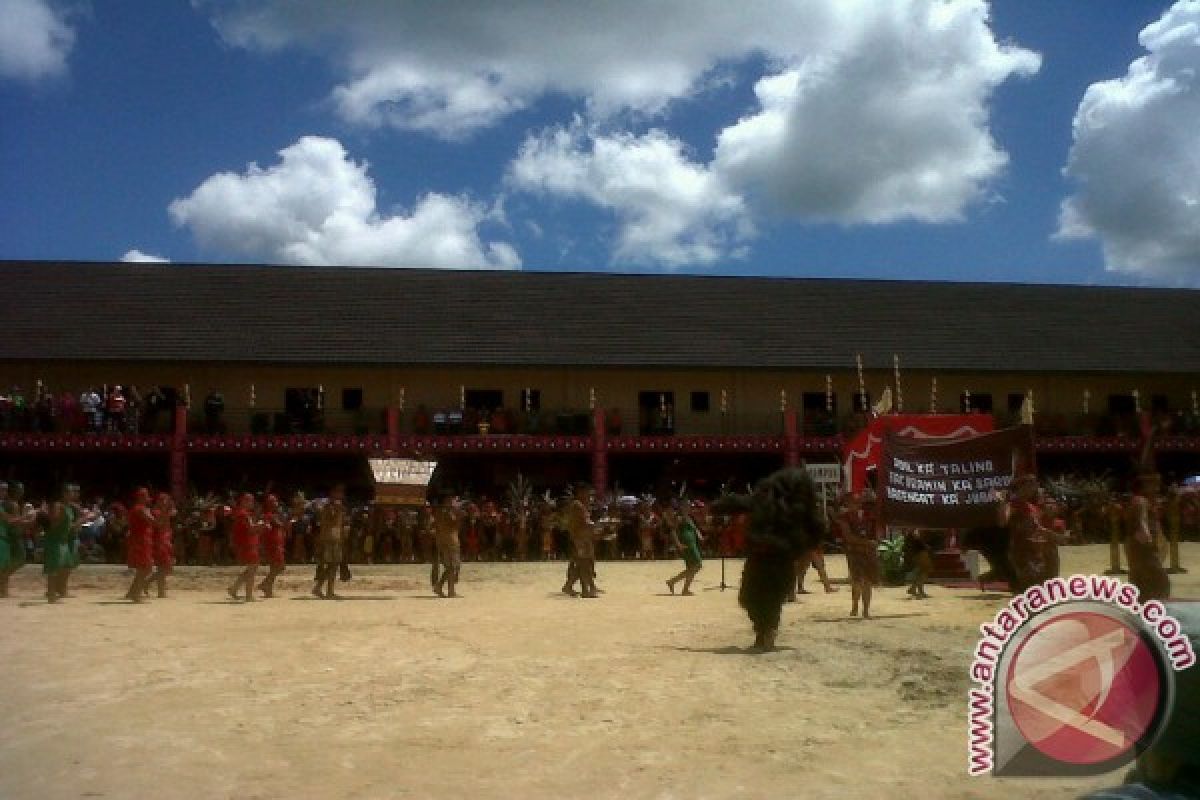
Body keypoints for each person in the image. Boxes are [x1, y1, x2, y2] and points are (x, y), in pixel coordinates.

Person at [714, 468, 825, 651]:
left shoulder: (796, 510)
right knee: (750, 599)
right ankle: (762, 633)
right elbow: (736, 503)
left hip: (778, 561)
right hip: (759, 559)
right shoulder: (765, 503)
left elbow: (812, 532)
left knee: (770, 601)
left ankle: (767, 635)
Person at [1004, 474, 1058, 594]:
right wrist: (1003, 503)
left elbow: (1038, 528)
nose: (1035, 488)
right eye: (1032, 485)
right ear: (1023, 487)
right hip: (1021, 552)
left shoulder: (1033, 507)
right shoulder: (1013, 505)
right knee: (1028, 586)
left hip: (1035, 552)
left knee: (1038, 584)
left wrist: (1050, 535)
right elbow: (1003, 520)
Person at [1125, 472, 1171, 602]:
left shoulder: (1135, 500)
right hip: (1142, 543)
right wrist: (1149, 541)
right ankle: (1157, 602)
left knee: (1138, 573)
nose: (1156, 487)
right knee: (1158, 576)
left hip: (1135, 542)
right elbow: (1142, 521)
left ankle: (1139, 601)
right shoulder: (1141, 501)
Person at [836, 492, 881, 618]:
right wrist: (868, 542)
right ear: (848, 504)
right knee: (857, 581)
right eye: (853, 502)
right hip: (854, 552)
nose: (857, 505)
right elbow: (848, 537)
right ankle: (855, 605)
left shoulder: (870, 516)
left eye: (858, 502)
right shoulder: (844, 517)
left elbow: (877, 534)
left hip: (867, 552)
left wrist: (875, 542)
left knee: (867, 582)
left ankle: (865, 610)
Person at [44, 483, 86, 603]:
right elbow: (53, 523)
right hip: (55, 539)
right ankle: (51, 594)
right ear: (63, 493)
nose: (72, 494)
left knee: (64, 566)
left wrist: (81, 520)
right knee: (53, 568)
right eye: (69, 492)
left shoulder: (68, 507)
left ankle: (56, 591)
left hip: (63, 540)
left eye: (72, 492)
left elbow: (69, 525)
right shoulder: (58, 505)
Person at [565, 484, 602, 598]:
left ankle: (584, 587)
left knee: (584, 563)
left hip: (583, 538)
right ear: (581, 492)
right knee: (584, 563)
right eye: (587, 493)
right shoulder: (577, 505)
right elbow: (584, 523)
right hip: (580, 539)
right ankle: (586, 589)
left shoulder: (581, 506)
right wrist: (599, 525)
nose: (589, 496)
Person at [313, 486, 348, 599]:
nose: (341, 495)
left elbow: (340, 525)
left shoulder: (338, 507)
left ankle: (324, 589)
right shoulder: (328, 507)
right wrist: (337, 509)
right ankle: (326, 590)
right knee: (330, 565)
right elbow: (330, 521)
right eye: (339, 492)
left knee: (333, 566)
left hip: (335, 539)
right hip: (328, 540)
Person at [227, 493, 261, 602]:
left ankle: (234, 589)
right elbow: (251, 529)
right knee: (252, 568)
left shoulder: (242, 513)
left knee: (252, 568)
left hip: (248, 543)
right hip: (247, 544)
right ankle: (249, 595)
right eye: (250, 501)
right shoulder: (243, 514)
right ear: (244, 501)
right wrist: (261, 525)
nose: (252, 503)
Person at [124, 488, 156, 602]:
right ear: (142, 497)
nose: (148, 498)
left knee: (143, 568)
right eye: (146, 496)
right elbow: (153, 521)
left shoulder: (138, 508)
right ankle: (135, 594)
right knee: (146, 568)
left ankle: (132, 592)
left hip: (141, 539)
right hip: (141, 540)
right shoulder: (140, 509)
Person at [666, 502, 704, 595]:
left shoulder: (689, 518)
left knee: (691, 567)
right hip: (686, 544)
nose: (689, 508)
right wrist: (678, 543)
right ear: (681, 508)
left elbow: (695, 529)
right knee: (698, 565)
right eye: (686, 506)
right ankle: (672, 581)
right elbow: (672, 531)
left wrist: (699, 535)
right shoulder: (679, 518)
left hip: (693, 543)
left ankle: (685, 589)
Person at [432, 494, 463, 598]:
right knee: (453, 566)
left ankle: (449, 590)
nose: (456, 502)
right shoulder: (448, 512)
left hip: (443, 541)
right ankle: (442, 587)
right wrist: (458, 513)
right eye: (455, 500)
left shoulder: (439, 512)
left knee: (450, 567)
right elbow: (454, 523)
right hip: (451, 541)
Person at [257, 494, 287, 598]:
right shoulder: (268, 515)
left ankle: (268, 589)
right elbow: (274, 526)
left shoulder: (273, 514)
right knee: (279, 566)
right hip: (273, 544)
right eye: (274, 501)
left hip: (276, 543)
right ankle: (265, 584)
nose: (276, 503)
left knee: (274, 567)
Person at [149, 492, 175, 598]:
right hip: (160, 540)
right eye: (163, 500)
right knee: (163, 567)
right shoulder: (155, 512)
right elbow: (157, 525)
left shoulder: (165, 511)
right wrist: (166, 514)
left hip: (166, 539)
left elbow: (174, 512)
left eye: (166, 500)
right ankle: (161, 592)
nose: (165, 502)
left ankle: (146, 582)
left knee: (167, 568)